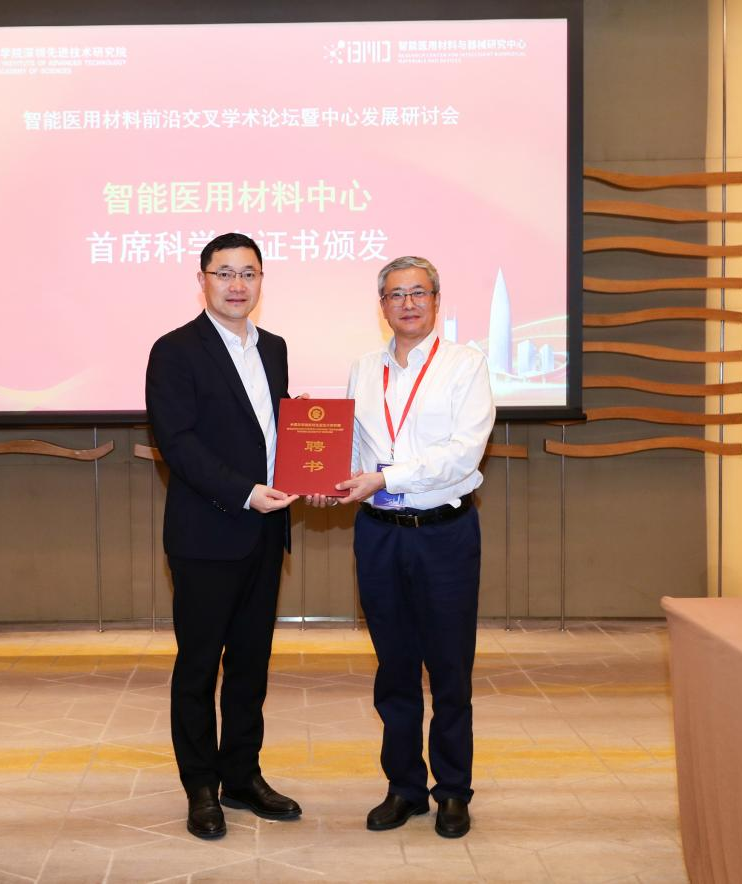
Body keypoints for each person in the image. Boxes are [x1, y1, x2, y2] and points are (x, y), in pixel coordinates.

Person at [312, 255, 495, 838]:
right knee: (393, 668)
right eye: (396, 294)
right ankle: (405, 788)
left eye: (419, 293)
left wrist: (385, 477)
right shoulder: (364, 370)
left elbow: (463, 453)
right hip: (379, 535)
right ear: (382, 306)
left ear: (436, 301)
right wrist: (326, 483)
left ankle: (453, 790)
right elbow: (351, 448)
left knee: (449, 669)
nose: (408, 303)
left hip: (444, 534)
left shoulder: (466, 365)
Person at [145, 232, 302, 840]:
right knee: (198, 668)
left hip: (265, 532)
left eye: (248, 273)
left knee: (250, 666)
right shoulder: (175, 350)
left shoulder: (275, 348)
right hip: (207, 534)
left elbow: (276, 431)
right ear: (203, 280)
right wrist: (243, 491)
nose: (237, 285)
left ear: (262, 280)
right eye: (224, 273)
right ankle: (201, 787)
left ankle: (242, 775)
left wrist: (304, 472)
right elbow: (177, 442)